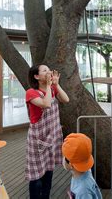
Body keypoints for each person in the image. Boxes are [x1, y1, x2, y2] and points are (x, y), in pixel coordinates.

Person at [25, 64, 70, 198]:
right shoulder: (31, 93)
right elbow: (46, 104)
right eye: (45, 70)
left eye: (49, 69)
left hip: (53, 137)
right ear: (37, 76)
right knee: (36, 177)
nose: (49, 72)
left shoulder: (52, 89)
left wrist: (56, 84)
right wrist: (50, 86)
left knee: (49, 172)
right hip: (38, 139)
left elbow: (66, 100)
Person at [62, 133, 102, 199]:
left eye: (64, 156)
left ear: (71, 165)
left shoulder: (83, 191)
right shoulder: (87, 171)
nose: (62, 158)